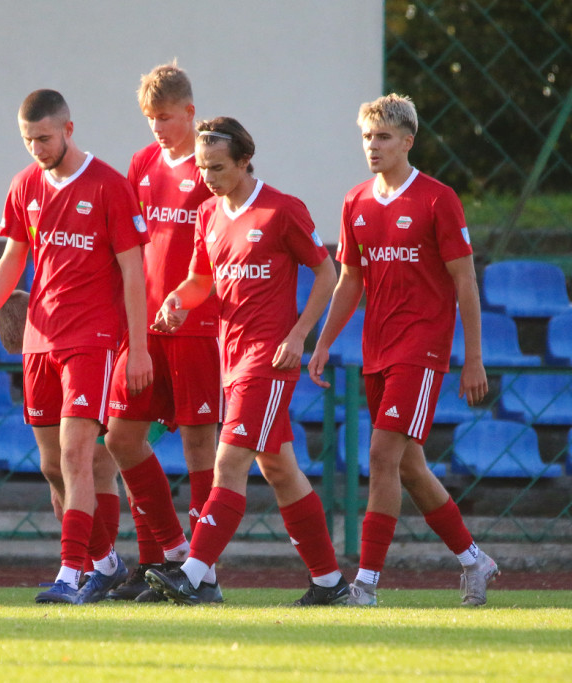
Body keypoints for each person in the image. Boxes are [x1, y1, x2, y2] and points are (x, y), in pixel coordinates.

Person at [145, 117, 349, 606]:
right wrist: (175, 302)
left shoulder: (282, 210)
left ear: (243, 160)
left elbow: (328, 272)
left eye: (217, 167)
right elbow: (200, 280)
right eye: (201, 168)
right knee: (279, 470)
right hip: (228, 358)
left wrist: (300, 335)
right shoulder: (209, 215)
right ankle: (329, 584)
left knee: (229, 460)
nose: (207, 177)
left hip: (270, 357)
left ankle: (194, 574)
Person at [308, 93, 500, 607]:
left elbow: (465, 283)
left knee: (380, 454)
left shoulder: (438, 199)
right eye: (368, 137)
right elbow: (350, 280)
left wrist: (473, 357)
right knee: (410, 465)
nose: (373, 146)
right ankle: (473, 560)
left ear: (407, 141)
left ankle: (366, 585)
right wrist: (323, 342)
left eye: (384, 137)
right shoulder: (356, 201)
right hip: (378, 347)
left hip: (422, 347)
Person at [0, 89, 152, 604]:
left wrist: (138, 348)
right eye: (28, 140)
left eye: (44, 137)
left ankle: (70, 575)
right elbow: (12, 258)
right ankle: (107, 565)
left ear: (69, 128)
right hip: (38, 337)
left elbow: (134, 273)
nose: (36, 148)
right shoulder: (25, 184)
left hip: (91, 336)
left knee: (76, 453)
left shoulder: (110, 185)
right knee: (52, 465)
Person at [103, 62, 222, 603]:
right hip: (143, 326)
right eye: (150, 118)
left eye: (166, 117)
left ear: (191, 113)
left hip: (198, 327)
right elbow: (126, 246)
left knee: (201, 443)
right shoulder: (142, 163)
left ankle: (202, 572)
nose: (157, 127)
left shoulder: (210, 168)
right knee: (121, 438)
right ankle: (168, 554)